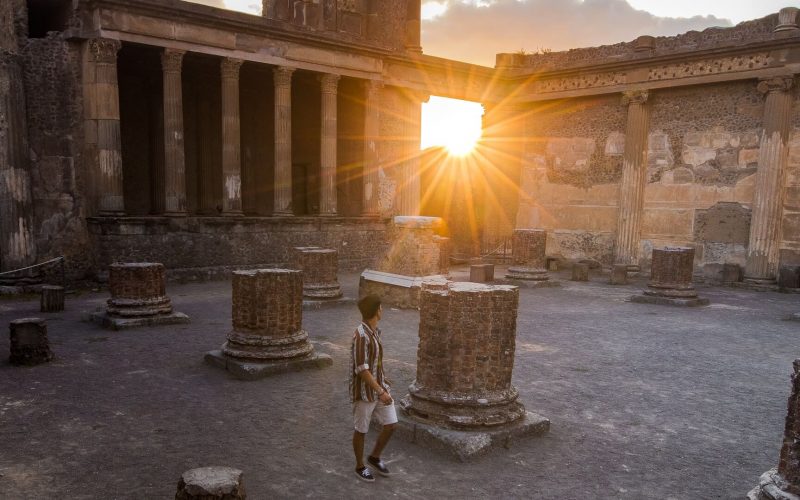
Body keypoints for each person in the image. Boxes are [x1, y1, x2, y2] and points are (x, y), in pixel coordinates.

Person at [350, 294, 396, 482]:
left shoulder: (375, 331)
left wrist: (383, 378)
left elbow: (374, 362)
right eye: (381, 307)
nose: (382, 310)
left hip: (379, 387)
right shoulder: (361, 335)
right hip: (364, 392)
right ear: (376, 311)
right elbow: (361, 369)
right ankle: (360, 466)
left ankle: (374, 457)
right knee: (361, 430)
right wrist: (381, 391)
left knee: (391, 425)